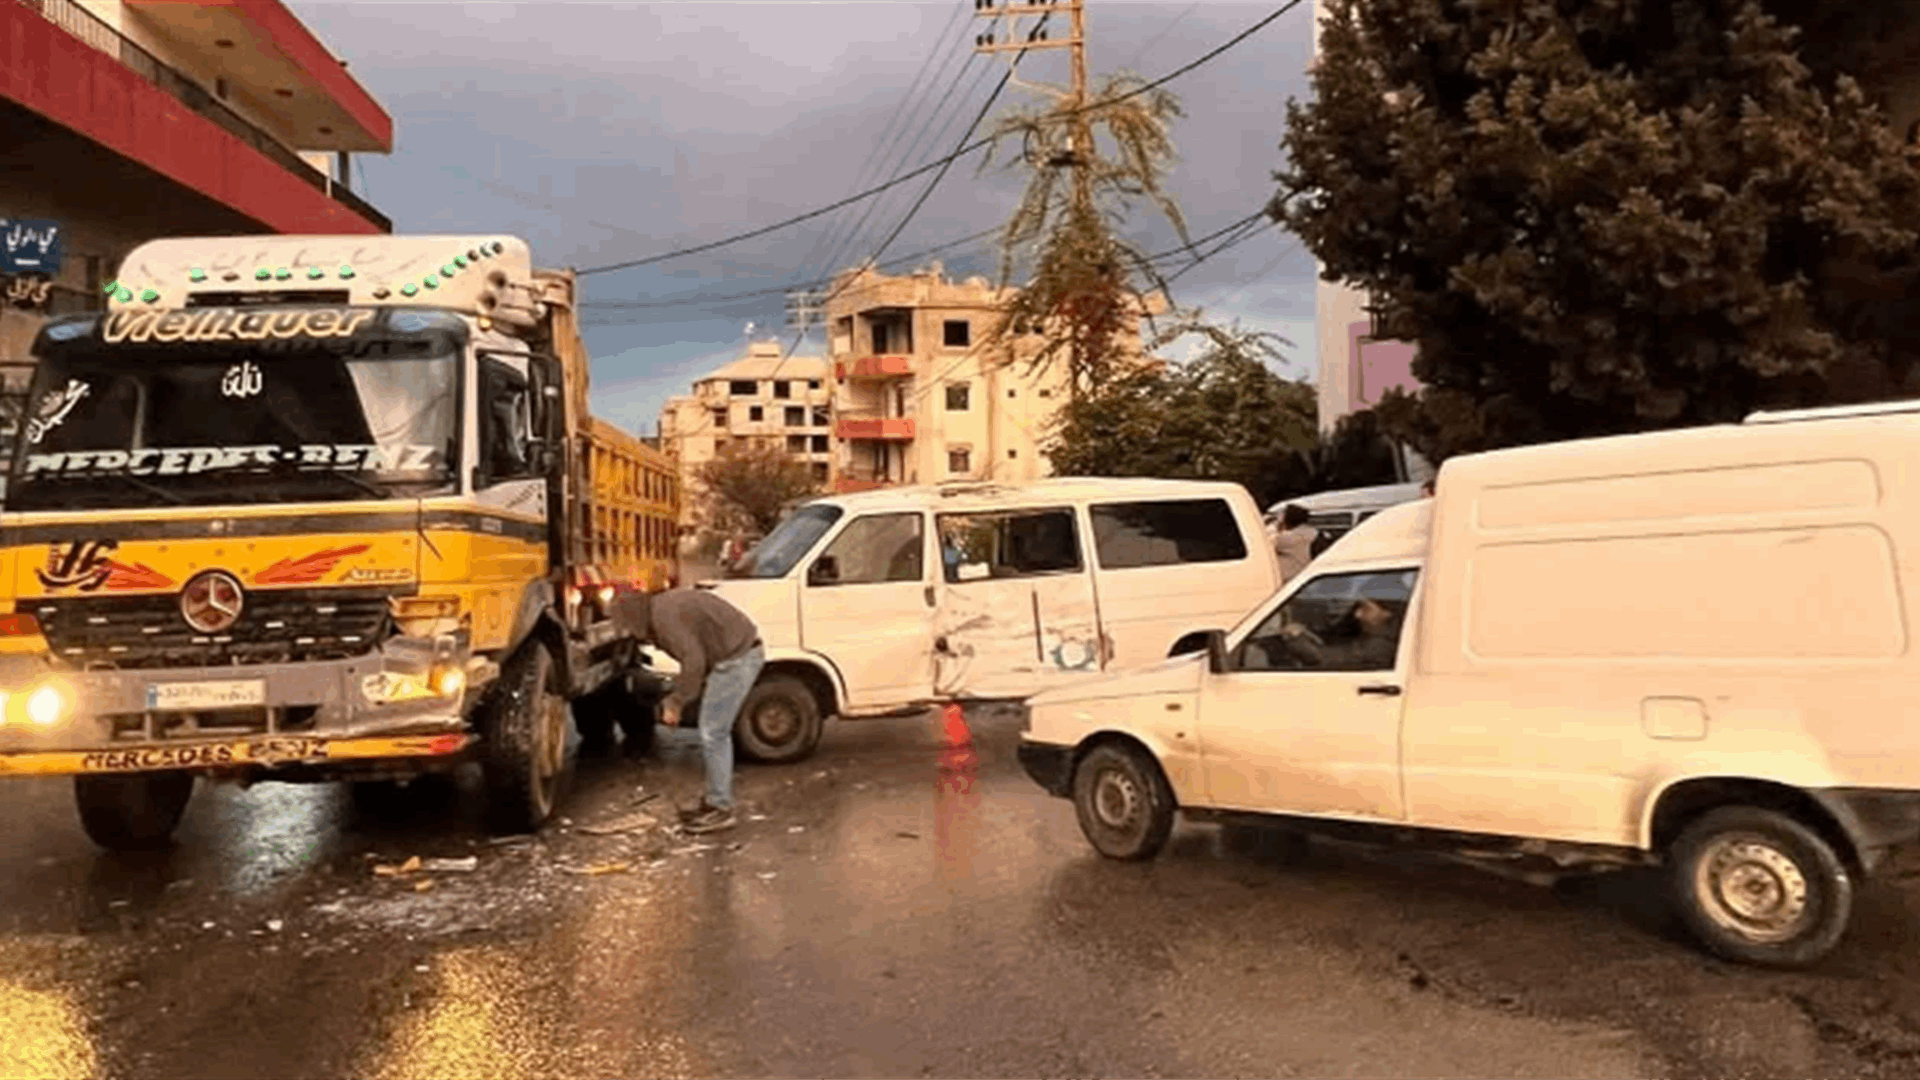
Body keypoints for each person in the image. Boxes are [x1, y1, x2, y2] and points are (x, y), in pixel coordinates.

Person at [612, 586, 764, 834]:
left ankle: (721, 809)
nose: (629, 631)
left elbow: (694, 660)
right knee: (713, 730)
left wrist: (677, 702)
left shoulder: (664, 619)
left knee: (713, 732)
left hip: (737, 658)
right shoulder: (661, 609)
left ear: (634, 615)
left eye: (627, 624)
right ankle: (714, 801)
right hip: (736, 653)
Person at [1273, 504, 1319, 584]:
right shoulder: (1312, 532)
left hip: (1291, 579)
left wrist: (1278, 526)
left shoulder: (1286, 538)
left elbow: (1264, 543)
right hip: (1307, 576)